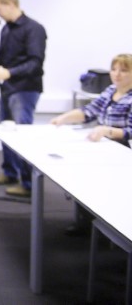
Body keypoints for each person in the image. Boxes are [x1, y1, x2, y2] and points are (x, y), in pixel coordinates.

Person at [50, 53, 132, 234]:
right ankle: (85, 223)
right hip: (102, 146)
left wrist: (107, 130)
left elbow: (130, 131)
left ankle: (111, 228)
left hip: (122, 151)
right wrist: (63, 118)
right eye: (114, 69)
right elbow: (89, 111)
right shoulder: (111, 90)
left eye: (124, 71)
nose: (117, 74)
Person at [0, 0, 47, 197]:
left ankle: (29, 184)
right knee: (6, 132)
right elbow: (1, 56)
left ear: (11, 3)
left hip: (26, 89)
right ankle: (10, 173)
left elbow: (35, 62)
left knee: (22, 135)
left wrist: (9, 72)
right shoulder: (6, 30)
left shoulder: (34, 29)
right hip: (8, 88)